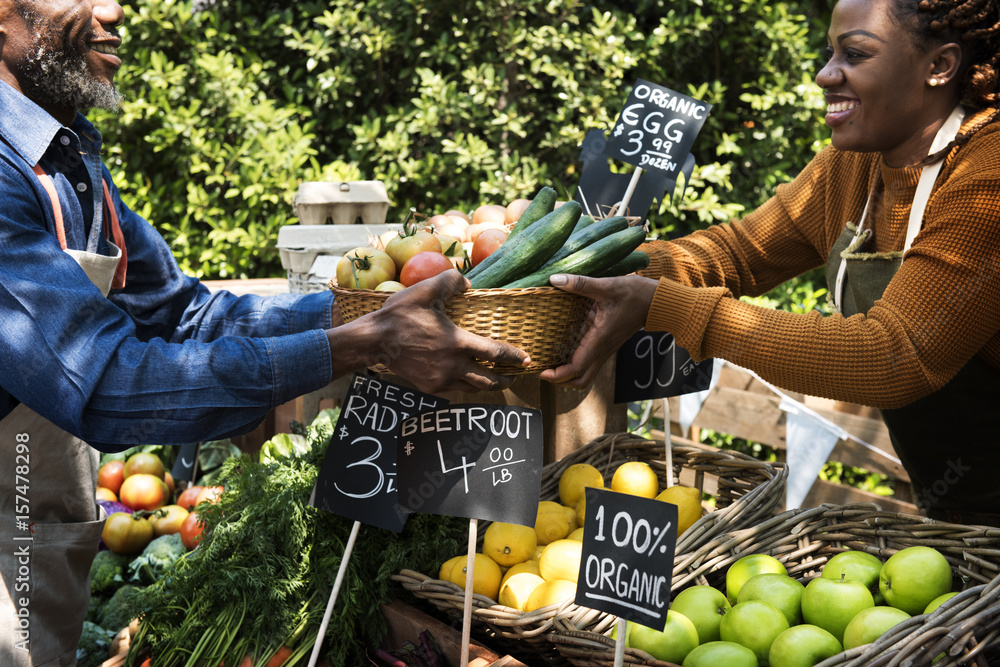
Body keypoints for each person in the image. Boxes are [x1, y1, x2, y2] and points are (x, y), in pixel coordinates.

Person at [0, 1, 529, 663]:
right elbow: (107, 384)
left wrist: (365, 313)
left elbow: (187, 314)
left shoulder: (73, 166)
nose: (115, 9)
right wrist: (366, 342)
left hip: (32, 517)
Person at [542, 0, 1000, 526]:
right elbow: (734, 253)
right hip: (958, 511)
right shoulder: (852, 167)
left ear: (939, 66)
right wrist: (587, 268)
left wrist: (668, 308)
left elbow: (892, 357)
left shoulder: (986, 175)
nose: (826, 74)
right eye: (830, 53)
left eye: (854, 54)